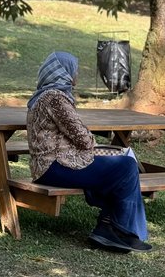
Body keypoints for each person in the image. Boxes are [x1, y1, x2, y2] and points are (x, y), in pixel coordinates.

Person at [26, 51, 152, 253]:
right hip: (56, 166)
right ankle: (117, 229)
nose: (76, 74)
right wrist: (92, 142)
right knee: (126, 165)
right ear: (64, 72)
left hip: (50, 166)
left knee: (119, 166)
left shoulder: (44, 96)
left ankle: (109, 226)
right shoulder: (55, 98)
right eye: (74, 69)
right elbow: (82, 137)